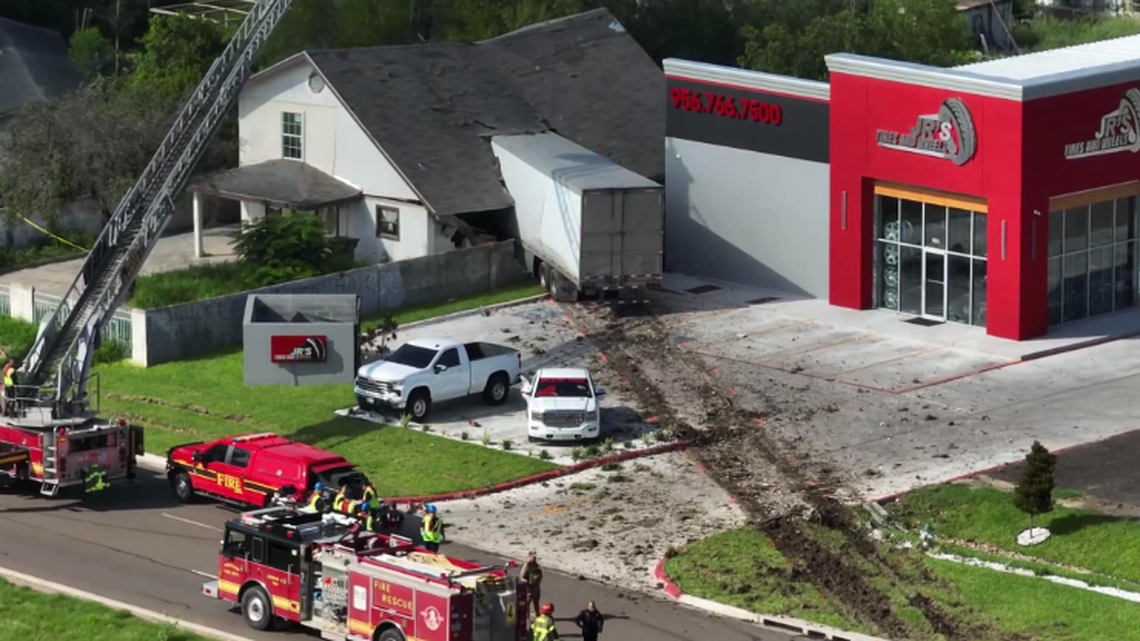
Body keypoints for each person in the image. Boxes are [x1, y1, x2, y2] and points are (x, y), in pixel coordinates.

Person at [521, 552, 544, 619]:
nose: (534, 558)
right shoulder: (527, 565)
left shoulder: (536, 565)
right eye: (533, 556)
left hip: (536, 586)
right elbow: (522, 576)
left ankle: (537, 614)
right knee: (527, 602)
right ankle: (527, 615)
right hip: (530, 587)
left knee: (536, 601)